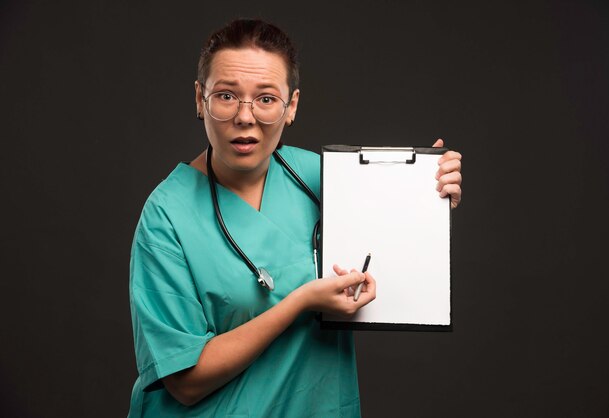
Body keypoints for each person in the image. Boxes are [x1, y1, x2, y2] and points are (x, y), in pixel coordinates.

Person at [128, 19, 463, 418]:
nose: (245, 117)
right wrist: (300, 302)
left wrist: (427, 197)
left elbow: (390, 266)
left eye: (266, 99)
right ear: (200, 100)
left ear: (292, 106)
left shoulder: (326, 178)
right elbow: (185, 381)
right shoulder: (166, 215)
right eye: (226, 95)